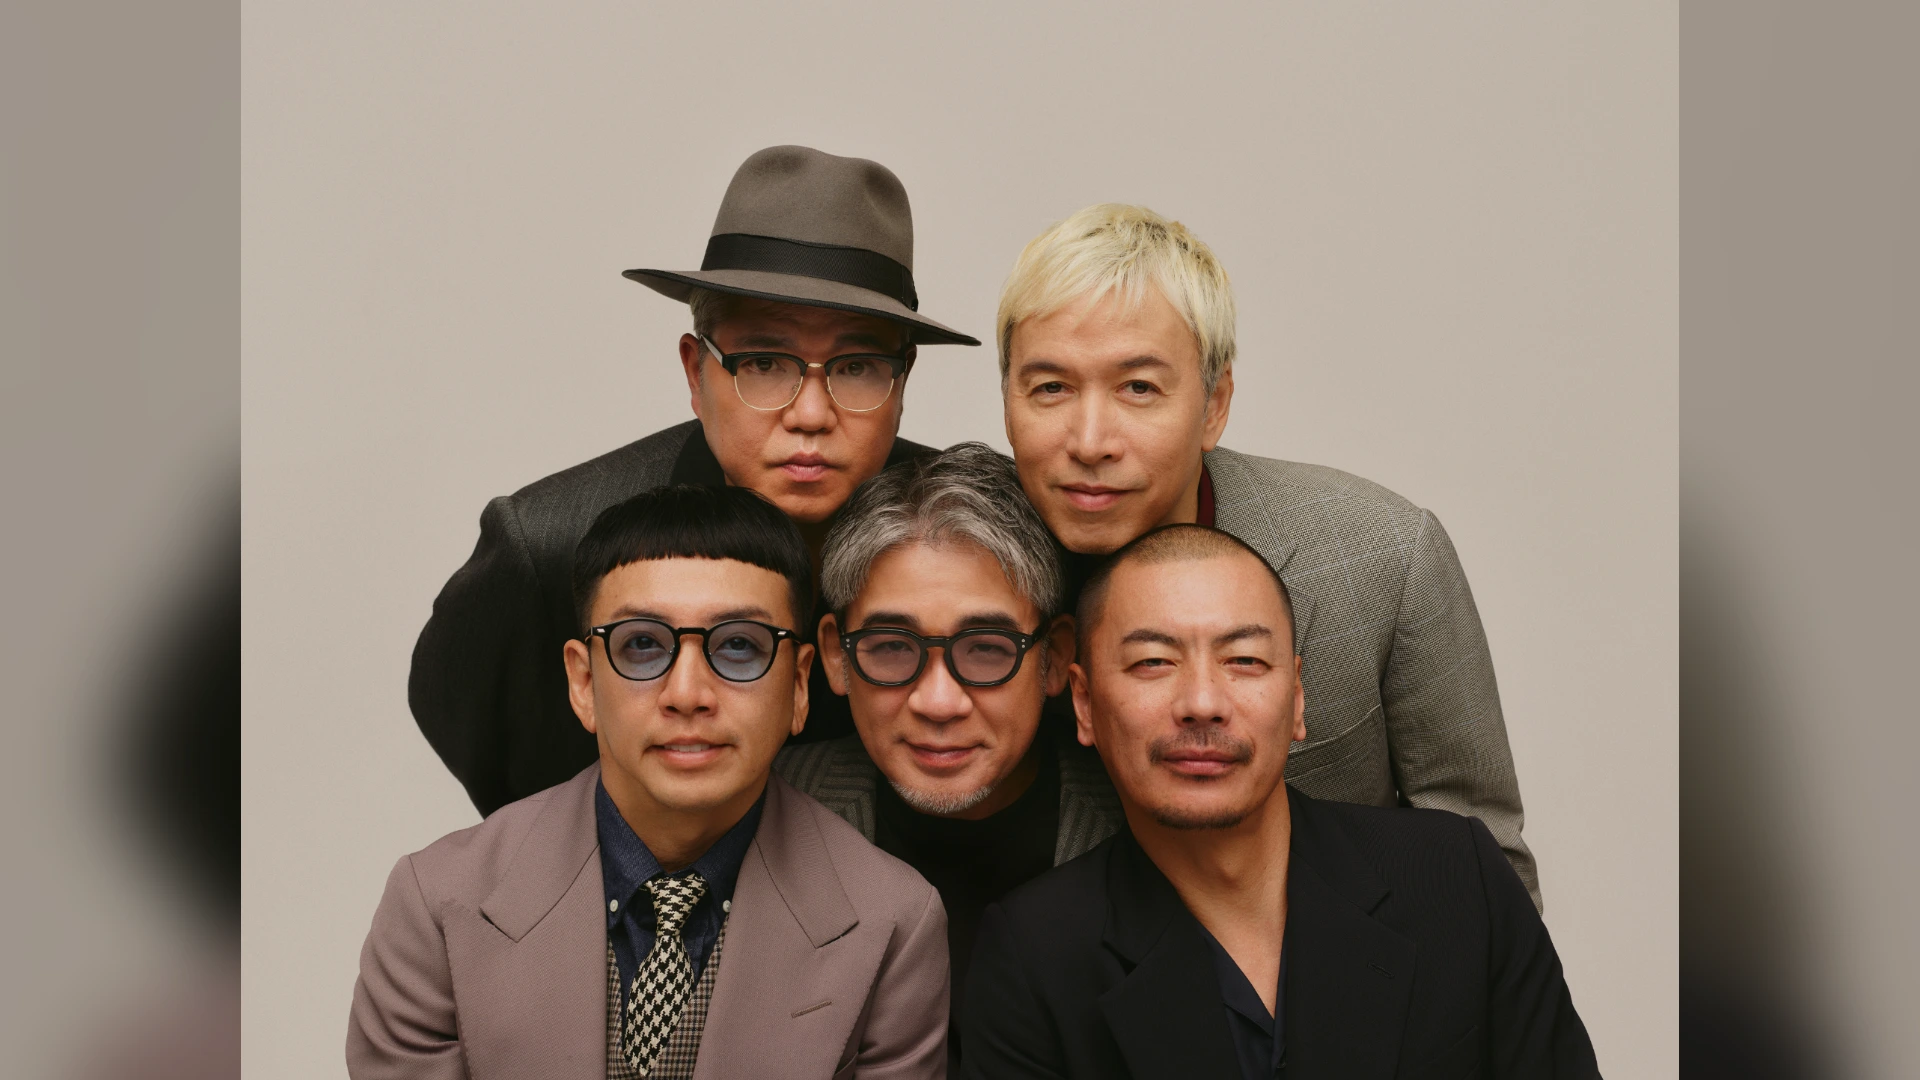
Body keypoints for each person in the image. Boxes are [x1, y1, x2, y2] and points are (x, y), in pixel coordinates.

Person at [998, 203, 1542, 906]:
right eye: (1050, 388)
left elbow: (1487, 868)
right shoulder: (965, 572)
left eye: (1139, 388)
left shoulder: (1383, 555)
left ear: (1214, 405)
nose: (1090, 441)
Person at [412, 145, 980, 817]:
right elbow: (481, 733)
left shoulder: (974, 537)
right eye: (763, 362)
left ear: (903, 380)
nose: (810, 415)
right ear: (694, 371)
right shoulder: (549, 542)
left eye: (857, 367)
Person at [349, 485, 949, 1079]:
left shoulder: (894, 922)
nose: (687, 694)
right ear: (583, 683)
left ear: (798, 685)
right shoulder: (435, 905)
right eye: (641, 645)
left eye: (740, 646)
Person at [963, 525, 1599, 1079]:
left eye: (1244, 660)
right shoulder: (1034, 956)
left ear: (1296, 699)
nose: (1202, 703)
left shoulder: (1455, 875)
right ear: (1084, 703)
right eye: (1153, 662)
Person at [773, 443, 1126, 1068]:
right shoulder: (764, 809)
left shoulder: (1140, 827)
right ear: (834, 655)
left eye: (987, 648)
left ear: (1054, 658)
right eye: (891, 646)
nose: (938, 702)